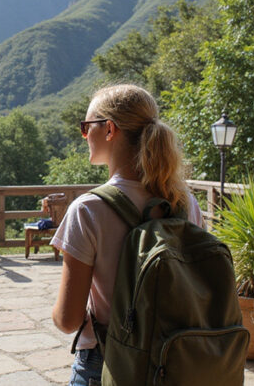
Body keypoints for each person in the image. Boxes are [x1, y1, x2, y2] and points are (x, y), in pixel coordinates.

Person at [50, 84, 204, 386]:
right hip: (174, 362)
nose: (84, 135)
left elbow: (68, 321)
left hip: (107, 364)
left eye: (86, 127)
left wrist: (56, 312)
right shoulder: (184, 203)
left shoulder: (88, 210)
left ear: (109, 130)